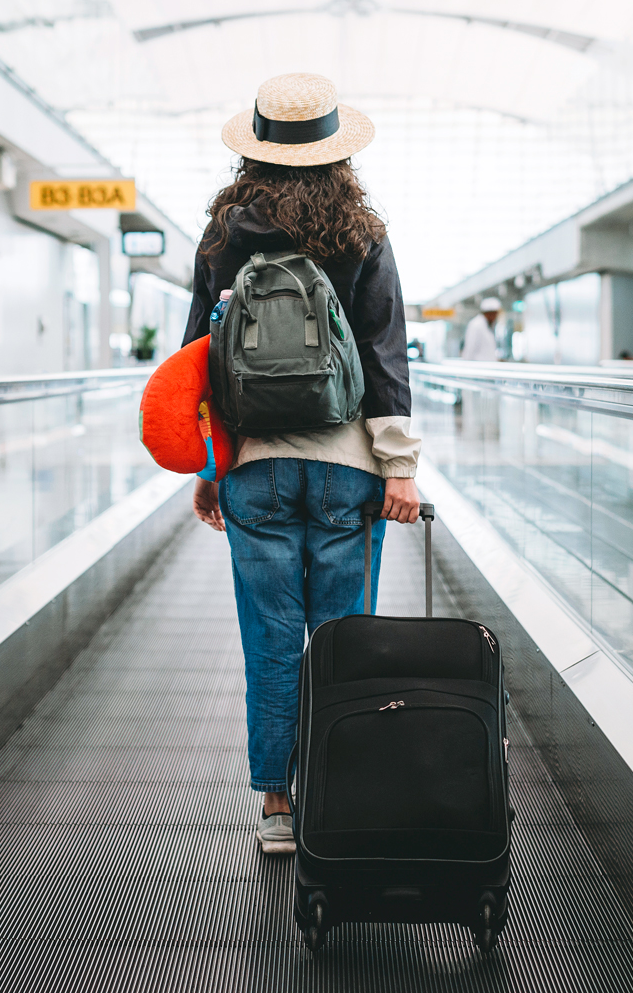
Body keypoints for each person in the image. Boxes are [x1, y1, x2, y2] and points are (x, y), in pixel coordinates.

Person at [184, 72, 421, 856]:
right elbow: (386, 355)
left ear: (254, 154)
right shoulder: (360, 233)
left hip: (255, 469)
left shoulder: (223, 238)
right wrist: (398, 468)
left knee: (271, 636)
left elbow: (198, 363)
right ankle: (342, 791)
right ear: (335, 155)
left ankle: (279, 806)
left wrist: (209, 466)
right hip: (349, 471)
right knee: (343, 637)